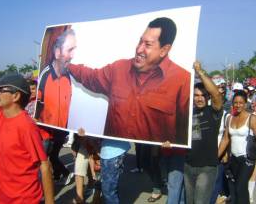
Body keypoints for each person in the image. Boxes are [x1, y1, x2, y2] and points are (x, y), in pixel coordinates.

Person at [66, 17, 190, 145]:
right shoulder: (118, 69)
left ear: (164, 50)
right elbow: (91, 77)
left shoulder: (183, 80)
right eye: (140, 42)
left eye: (147, 45)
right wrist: (67, 65)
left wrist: (175, 149)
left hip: (155, 159)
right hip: (112, 155)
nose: (139, 49)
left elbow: (185, 130)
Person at [0, 73, 54, 204]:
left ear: (16, 96)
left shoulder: (26, 126)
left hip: (23, 199)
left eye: (1, 91)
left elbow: (44, 165)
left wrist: (49, 201)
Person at [35, 28, 76, 184]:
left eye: (74, 50)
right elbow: (36, 106)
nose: (73, 55)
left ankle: (61, 175)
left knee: (51, 157)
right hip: (45, 132)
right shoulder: (44, 76)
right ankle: (56, 178)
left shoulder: (70, 78)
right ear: (58, 52)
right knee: (42, 161)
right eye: (70, 50)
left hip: (61, 132)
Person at [183, 61, 223, 204]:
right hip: (188, 165)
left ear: (207, 97)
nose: (199, 98)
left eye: (202, 95)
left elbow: (216, 94)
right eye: (196, 95)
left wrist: (200, 72)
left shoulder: (213, 112)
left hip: (207, 168)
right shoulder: (189, 113)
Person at [218, 90, 256, 204]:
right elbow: (226, 139)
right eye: (235, 102)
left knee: (240, 187)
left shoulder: (252, 119)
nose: (238, 105)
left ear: (246, 103)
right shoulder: (229, 118)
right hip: (233, 159)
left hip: (247, 160)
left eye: (241, 102)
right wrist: (216, 156)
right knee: (234, 187)